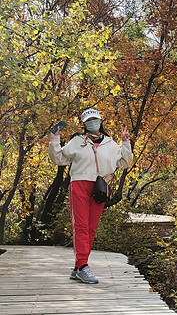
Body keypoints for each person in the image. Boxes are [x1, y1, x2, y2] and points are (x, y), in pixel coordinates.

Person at [48, 108, 133, 284]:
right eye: (88, 121)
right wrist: (55, 139)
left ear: (101, 122)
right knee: (81, 226)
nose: (92, 123)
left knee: (91, 227)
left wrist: (125, 143)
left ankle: (78, 266)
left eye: (95, 120)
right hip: (79, 184)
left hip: (99, 188)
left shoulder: (110, 143)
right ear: (84, 124)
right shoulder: (77, 141)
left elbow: (124, 163)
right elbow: (59, 159)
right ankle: (83, 265)